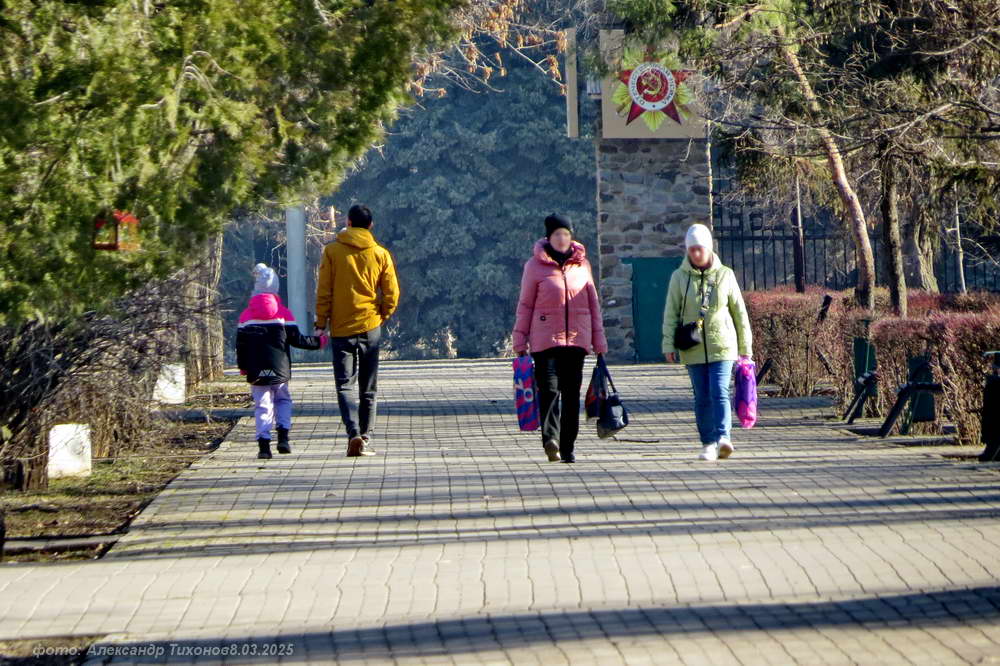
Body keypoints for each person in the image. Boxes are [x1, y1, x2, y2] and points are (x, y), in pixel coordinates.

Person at [513, 214, 608, 463]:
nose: (562, 238)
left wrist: (599, 341)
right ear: (549, 237)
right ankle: (550, 440)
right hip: (545, 342)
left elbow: (593, 305)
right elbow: (525, 305)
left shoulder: (583, 266)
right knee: (549, 391)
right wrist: (520, 339)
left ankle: (568, 446)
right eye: (557, 234)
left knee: (571, 395)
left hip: (576, 342)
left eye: (566, 234)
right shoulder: (534, 267)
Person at [314, 204, 400, 457]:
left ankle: (352, 433)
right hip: (370, 325)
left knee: (344, 385)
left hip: (341, 328)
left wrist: (321, 323)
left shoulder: (332, 252)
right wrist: (382, 315)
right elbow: (392, 293)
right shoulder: (380, 254)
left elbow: (324, 291)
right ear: (371, 225)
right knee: (368, 388)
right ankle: (365, 436)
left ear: (348, 223)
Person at [662, 224, 753, 461]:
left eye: (699, 248)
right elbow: (671, 313)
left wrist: (746, 348)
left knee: (719, 390)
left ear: (709, 248)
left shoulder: (725, 275)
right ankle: (708, 443)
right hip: (692, 347)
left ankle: (724, 437)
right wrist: (668, 345)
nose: (695, 253)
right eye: (691, 249)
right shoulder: (678, 277)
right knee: (701, 396)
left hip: (722, 345)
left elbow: (739, 313)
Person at [237, 264, 327, 460]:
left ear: (256, 288)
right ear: (275, 288)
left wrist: (243, 367)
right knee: (283, 400)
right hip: (280, 369)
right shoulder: (284, 314)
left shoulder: (246, 316)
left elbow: (241, 346)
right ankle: (283, 438)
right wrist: (319, 341)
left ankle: (264, 446)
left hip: (256, 370)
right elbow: (298, 340)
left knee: (262, 405)